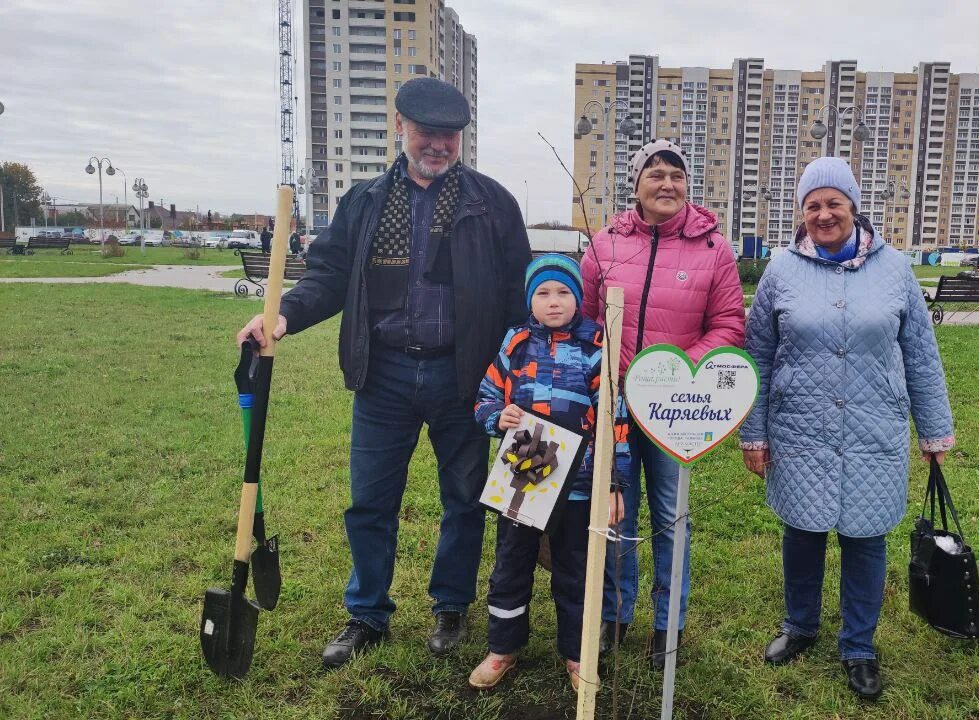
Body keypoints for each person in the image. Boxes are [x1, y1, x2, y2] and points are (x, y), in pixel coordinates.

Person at [235, 77, 532, 669]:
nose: (438, 146)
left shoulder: (491, 203)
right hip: (384, 375)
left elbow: (518, 296)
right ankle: (367, 612)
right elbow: (328, 275)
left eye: (448, 136)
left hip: (465, 379)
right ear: (400, 127)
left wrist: (517, 372)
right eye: (426, 133)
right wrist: (283, 317)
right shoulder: (365, 201)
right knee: (370, 503)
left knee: (466, 500)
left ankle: (451, 605)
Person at [739, 157, 955, 701]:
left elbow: (921, 355)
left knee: (866, 538)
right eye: (812, 204)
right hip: (801, 427)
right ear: (801, 213)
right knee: (803, 532)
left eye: (834, 202)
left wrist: (934, 430)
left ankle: (859, 645)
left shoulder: (895, 269)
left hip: (873, 426)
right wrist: (755, 432)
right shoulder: (781, 270)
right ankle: (800, 626)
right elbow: (758, 355)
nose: (823, 213)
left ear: (855, 208)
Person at [580, 139, 746, 668]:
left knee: (673, 517)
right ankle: (614, 614)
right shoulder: (604, 244)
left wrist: (676, 376)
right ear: (636, 185)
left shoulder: (712, 249)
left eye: (677, 174)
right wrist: (610, 372)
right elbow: (584, 323)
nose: (667, 184)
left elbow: (727, 326)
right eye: (655, 174)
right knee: (616, 513)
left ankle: (666, 625)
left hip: (676, 408)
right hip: (617, 410)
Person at [468, 254, 631, 691]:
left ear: (578, 298)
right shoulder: (515, 342)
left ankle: (577, 654)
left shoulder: (597, 344)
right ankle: (503, 647)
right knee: (511, 564)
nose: (553, 302)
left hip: (578, 484)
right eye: (543, 293)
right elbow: (485, 397)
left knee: (575, 569)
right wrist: (496, 417)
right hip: (525, 472)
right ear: (529, 299)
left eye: (563, 292)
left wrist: (614, 483)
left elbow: (614, 419)